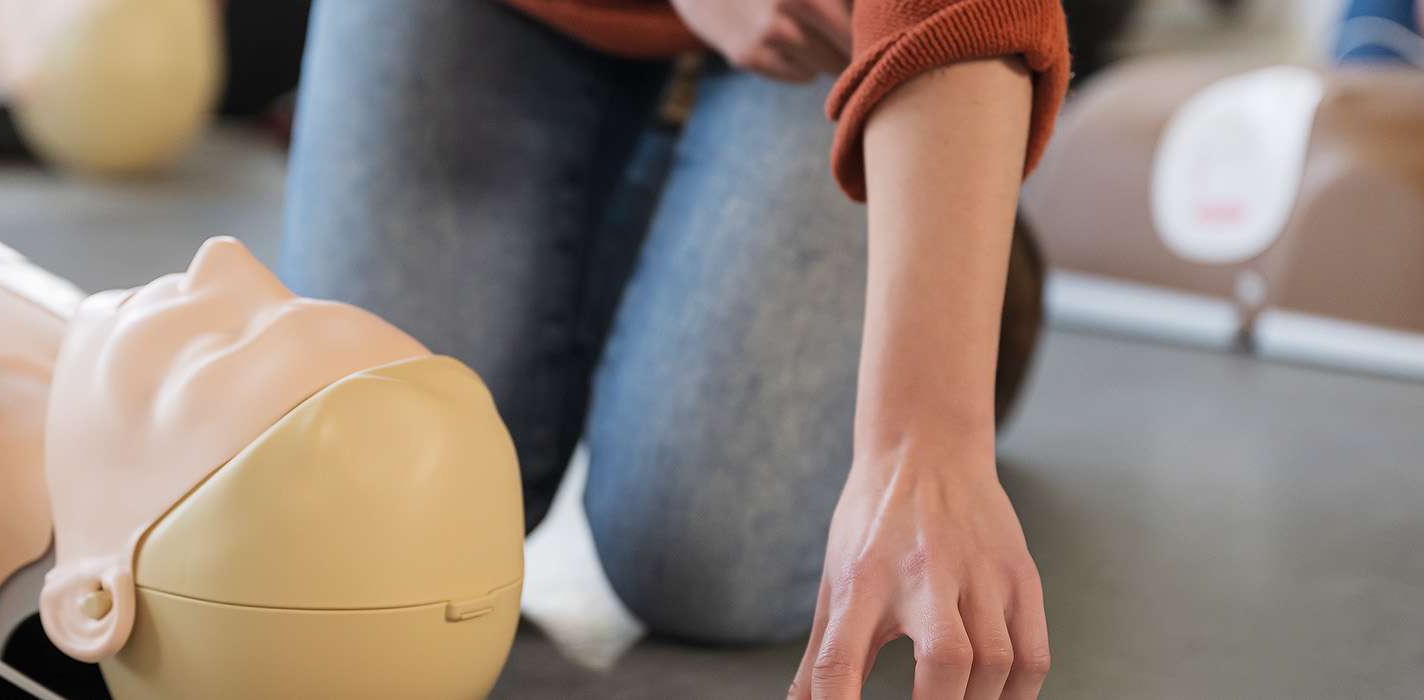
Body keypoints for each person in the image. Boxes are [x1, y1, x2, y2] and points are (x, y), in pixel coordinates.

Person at [277, 1, 1070, 698]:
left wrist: (926, 438)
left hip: (822, 33)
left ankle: (947, 207)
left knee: (706, 566)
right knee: (372, 510)